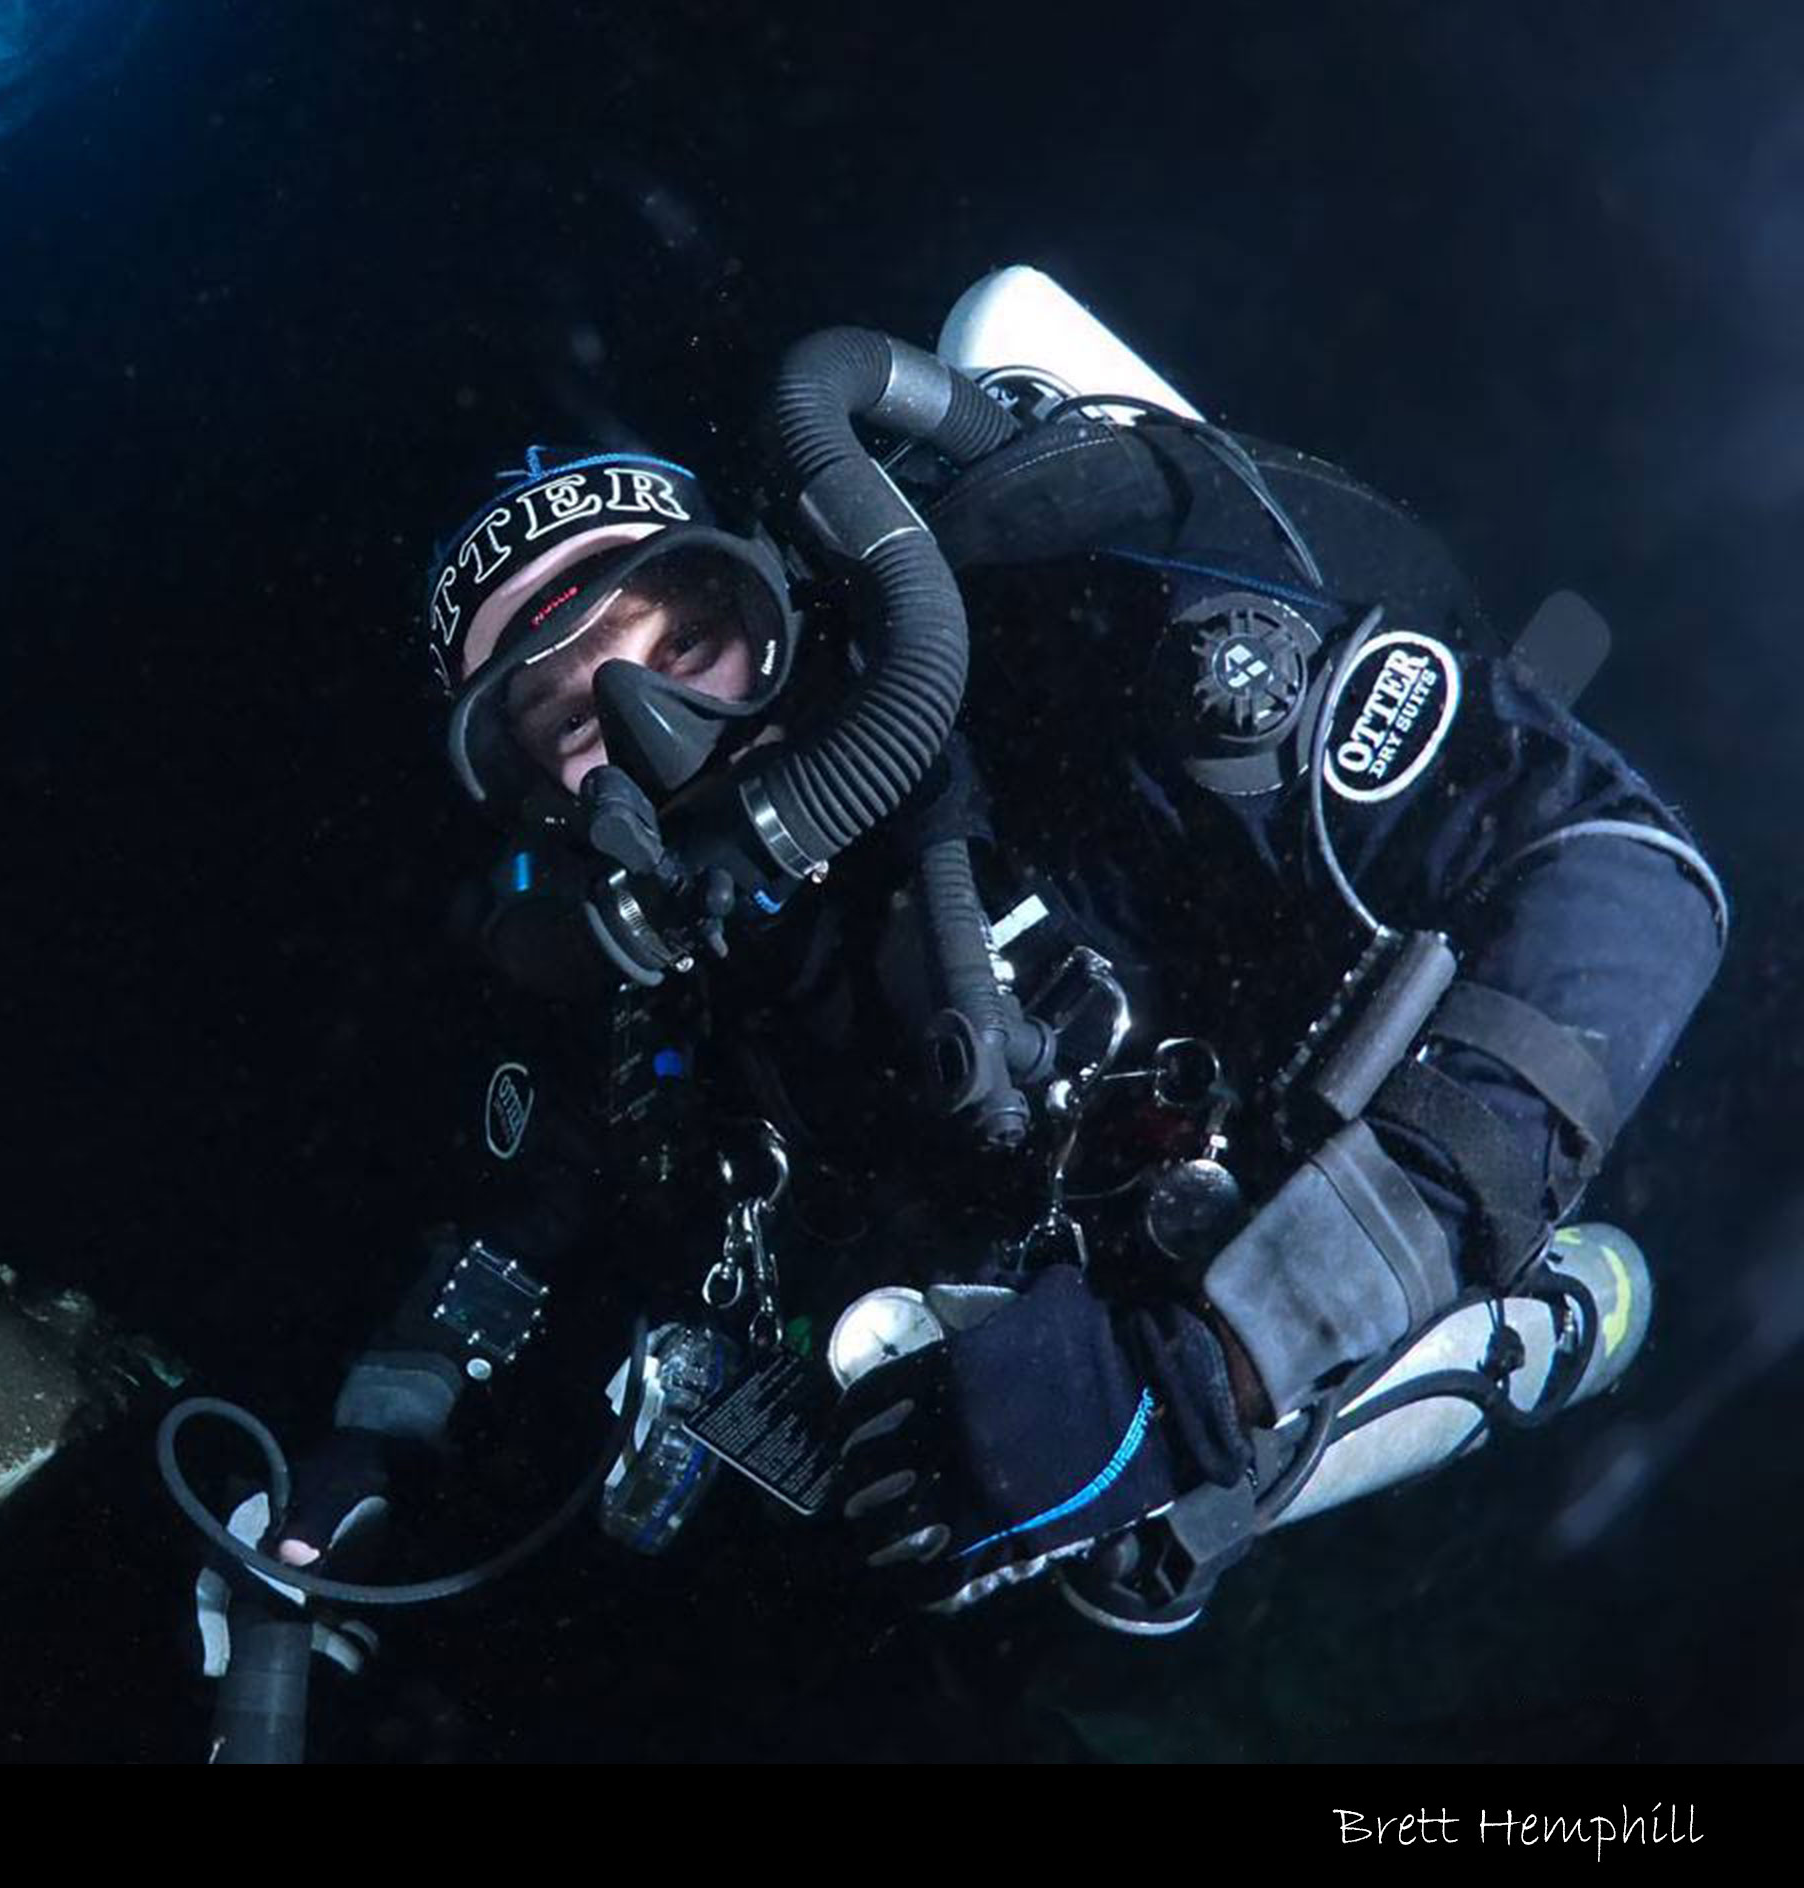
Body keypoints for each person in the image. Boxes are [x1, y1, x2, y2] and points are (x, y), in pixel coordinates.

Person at [206, 272, 1728, 1683]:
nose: (662, 720)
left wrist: (1220, 1360)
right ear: (542, 807)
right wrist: (353, 1462)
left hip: (1396, 1157)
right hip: (1038, 1308)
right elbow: (515, 1234)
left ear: (776, 589)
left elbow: (1629, 873)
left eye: (686, 631)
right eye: (572, 719)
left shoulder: (1070, 671)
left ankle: (1551, 1319)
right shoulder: (668, 981)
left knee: (1128, 1567)